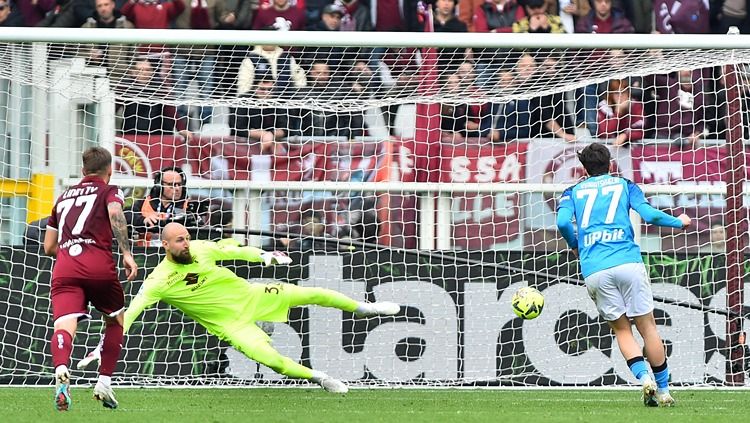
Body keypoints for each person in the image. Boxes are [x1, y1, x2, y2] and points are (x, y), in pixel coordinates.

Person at [80, 222, 401, 392]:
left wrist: (264, 256)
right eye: (179, 240)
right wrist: (104, 345)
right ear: (165, 245)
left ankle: (364, 308)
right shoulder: (158, 281)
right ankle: (321, 378)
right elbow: (131, 313)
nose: (186, 243)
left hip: (253, 295)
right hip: (232, 325)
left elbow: (235, 252)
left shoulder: (202, 249)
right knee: (274, 362)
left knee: (311, 292)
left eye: (187, 238)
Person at [555, 143, 690, 407]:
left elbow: (561, 222)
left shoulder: (572, 191)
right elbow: (649, 215)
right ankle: (663, 390)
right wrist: (679, 222)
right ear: (610, 164)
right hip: (628, 262)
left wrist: (575, 245)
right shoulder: (625, 185)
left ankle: (643, 379)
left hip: (595, 267)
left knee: (621, 330)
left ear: (584, 168)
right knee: (647, 326)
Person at [43, 146, 138, 411]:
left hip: (65, 267)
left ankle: (61, 368)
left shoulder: (62, 197)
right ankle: (104, 382)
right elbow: (115, 214)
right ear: (110, 171)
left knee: (63, 325)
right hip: (98, 265)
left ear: (83, 171)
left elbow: (49, 246)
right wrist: (127, 254)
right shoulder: (110, 190)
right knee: (116, 319)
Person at [126, 166, 207, 247]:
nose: (177, 188)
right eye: (171, 184)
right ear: (159, 186)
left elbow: (200, 231)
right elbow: (125, 216)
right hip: (146, 254)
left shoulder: (189, 206)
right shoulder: (143, 203)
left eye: (179, 184)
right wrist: (143, 220)